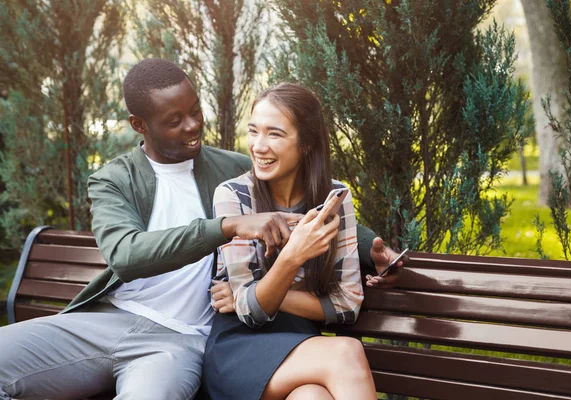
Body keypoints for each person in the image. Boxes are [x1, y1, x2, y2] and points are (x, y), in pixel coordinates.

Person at [0, 58, 403, 400]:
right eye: (176, 120)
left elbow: (303, 199)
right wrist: (227, 227)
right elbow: (126, 255)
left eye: (196, 110)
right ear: (139, 124)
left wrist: (371, 246)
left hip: (181, 341)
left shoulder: (231, 167)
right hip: (107, 320)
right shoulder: (114, 179)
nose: (194, 125)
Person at [202, 83, 377, 400]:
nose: (258, 146)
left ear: (307, 143)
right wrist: (292, 257)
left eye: (275, 134)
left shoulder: (335, 199)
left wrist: (263, 293)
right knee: (346, 353)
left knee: (312, 397)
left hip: (302, 345)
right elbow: (251, 314)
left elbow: (347, 304)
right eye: (254, 131)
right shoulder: (233, 196)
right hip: (238, 350)